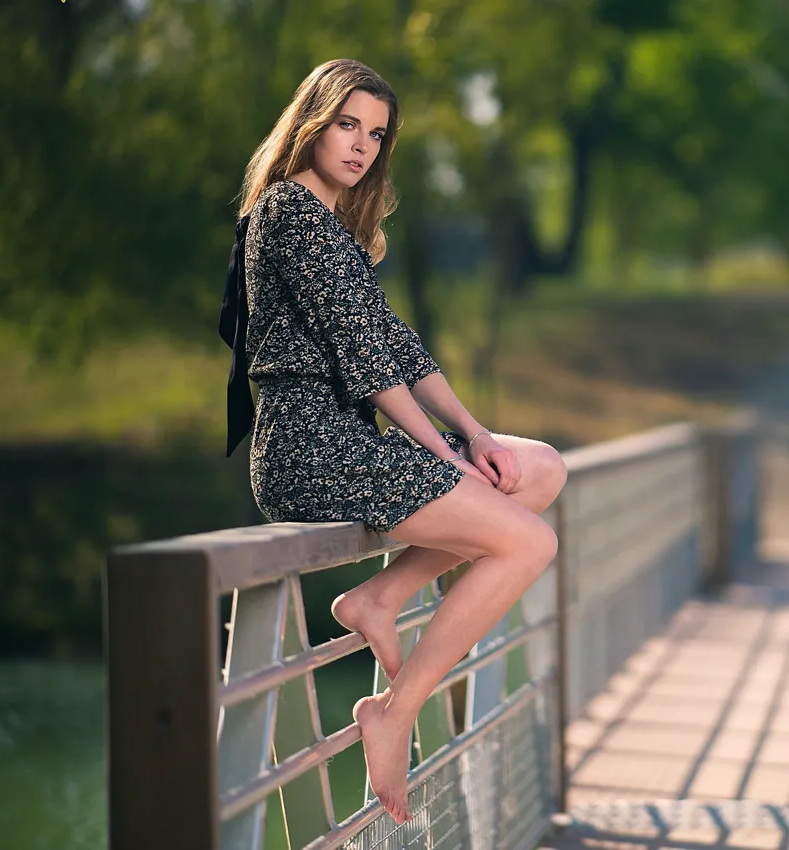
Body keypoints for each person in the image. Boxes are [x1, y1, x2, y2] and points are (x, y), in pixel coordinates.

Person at [220, 58, 566, 824]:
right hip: (308, 450)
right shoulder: (288, 212)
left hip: (352, 442)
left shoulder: (335, 230)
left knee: (536, 470)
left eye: (376, 134)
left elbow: (398, 348)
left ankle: (380, 596)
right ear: (312, 124)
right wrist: (445, 459)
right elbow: (368, 365)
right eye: (347, 125)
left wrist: (475, 436)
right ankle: (393, 711)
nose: (361, 145)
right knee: (529, 543)